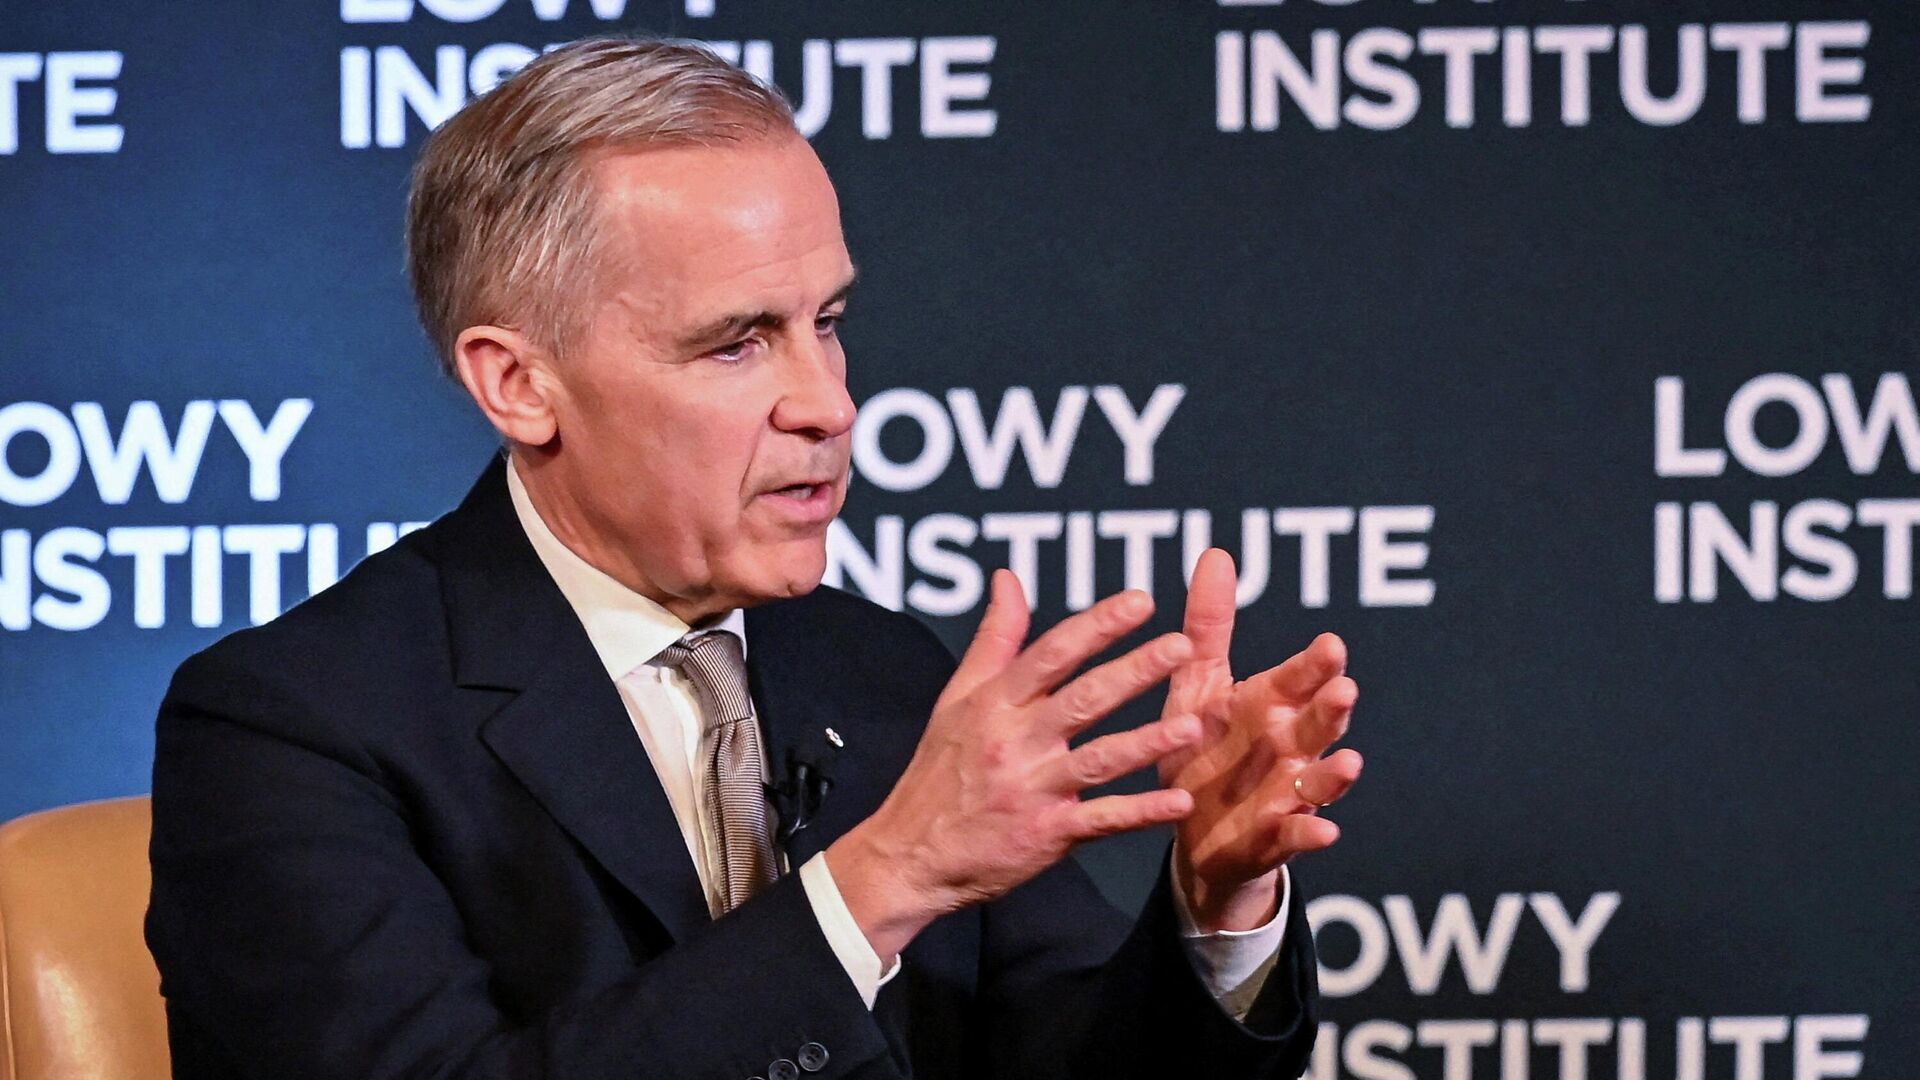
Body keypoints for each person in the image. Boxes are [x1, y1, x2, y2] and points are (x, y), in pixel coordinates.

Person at [145, 36, 1363, 1079]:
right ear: (518, 384)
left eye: (827, 323)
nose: (828, 403)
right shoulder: (291, 727)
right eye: (737, 344)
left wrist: (1218, 909)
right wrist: (882, 878)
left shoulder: (878, 671)